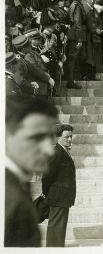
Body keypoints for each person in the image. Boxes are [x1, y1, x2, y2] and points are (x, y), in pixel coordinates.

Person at [5, 96, 58, 247]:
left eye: (50, 137)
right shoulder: (9, 197)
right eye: (37, 137)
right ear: (8, 135)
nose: (49, 150)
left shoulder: (17, 183)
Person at [42, 124, 76, 247]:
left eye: (71, 137)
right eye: (67, 137)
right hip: (57, 197)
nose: (70, 139)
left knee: (59, 229)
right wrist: (46, 193)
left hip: (62, 198)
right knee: (56, 229)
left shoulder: (63, 152)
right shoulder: (56, 153)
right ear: (58, 137)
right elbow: (46, 176)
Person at [82, 0, 103, 80]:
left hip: (95, 35)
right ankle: (88, 76)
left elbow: (100, 21)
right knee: (89, 56)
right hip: (88, 35)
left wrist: (99, 29)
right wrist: (96, 30)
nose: (92, 1)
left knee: (94, 56)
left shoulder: (94, 9)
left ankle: (92, 75)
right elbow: (88, 23)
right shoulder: (85, 8)